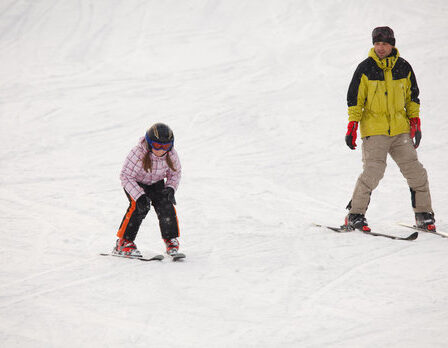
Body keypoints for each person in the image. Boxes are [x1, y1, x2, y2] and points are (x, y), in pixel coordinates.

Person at [343, 26, 436, 232]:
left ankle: (424, 215)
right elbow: (355, 100)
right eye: (377, 43)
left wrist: (415, 122)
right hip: (375, 131)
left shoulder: (403, 67)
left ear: (392, 44)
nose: (380, 48)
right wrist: (352, 126)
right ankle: (355, 215)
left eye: (384, 44)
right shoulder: (365, 68)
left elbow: (412, 98)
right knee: (373, 172)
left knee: (416, 172)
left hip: (400, 131)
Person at [113, 122, 182, 257]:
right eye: (157, 145)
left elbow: (175, 173)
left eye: (166, 146)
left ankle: (170, 239)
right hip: (135, 183)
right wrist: (139, 196)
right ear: (150, 143)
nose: (161, 150)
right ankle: (123, 242)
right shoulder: (138, 153)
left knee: (165, 204)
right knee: (140, 207)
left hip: (156, 183)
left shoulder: (171, 155)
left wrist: (171, 188)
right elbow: (125, 176)